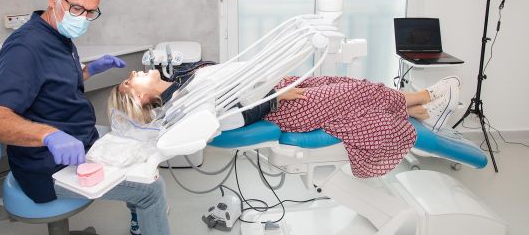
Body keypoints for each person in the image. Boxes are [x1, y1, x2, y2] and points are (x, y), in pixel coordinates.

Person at [0, 0, 170, 235]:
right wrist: (49, 136)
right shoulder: (25, 48)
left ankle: (141, 225)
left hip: (81, 141)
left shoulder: (58, 35)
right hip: (47, 166)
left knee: (138, 149)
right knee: (152, 189)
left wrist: (90, 70)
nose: (82, 18)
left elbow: (51, 83)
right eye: (77, 8)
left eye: (90, 12)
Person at [109, 61, 460, 178]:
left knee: (343, 82)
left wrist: (273, 89)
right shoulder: (183, 104)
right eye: (130, 81)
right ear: (140, 98)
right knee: (354, 94)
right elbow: (230, 120)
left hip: (271, 91)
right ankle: (427, 97)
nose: (134, 72)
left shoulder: (182, 82)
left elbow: (226, 79)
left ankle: (412, 109)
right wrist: (275, 98)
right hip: (278, 107)